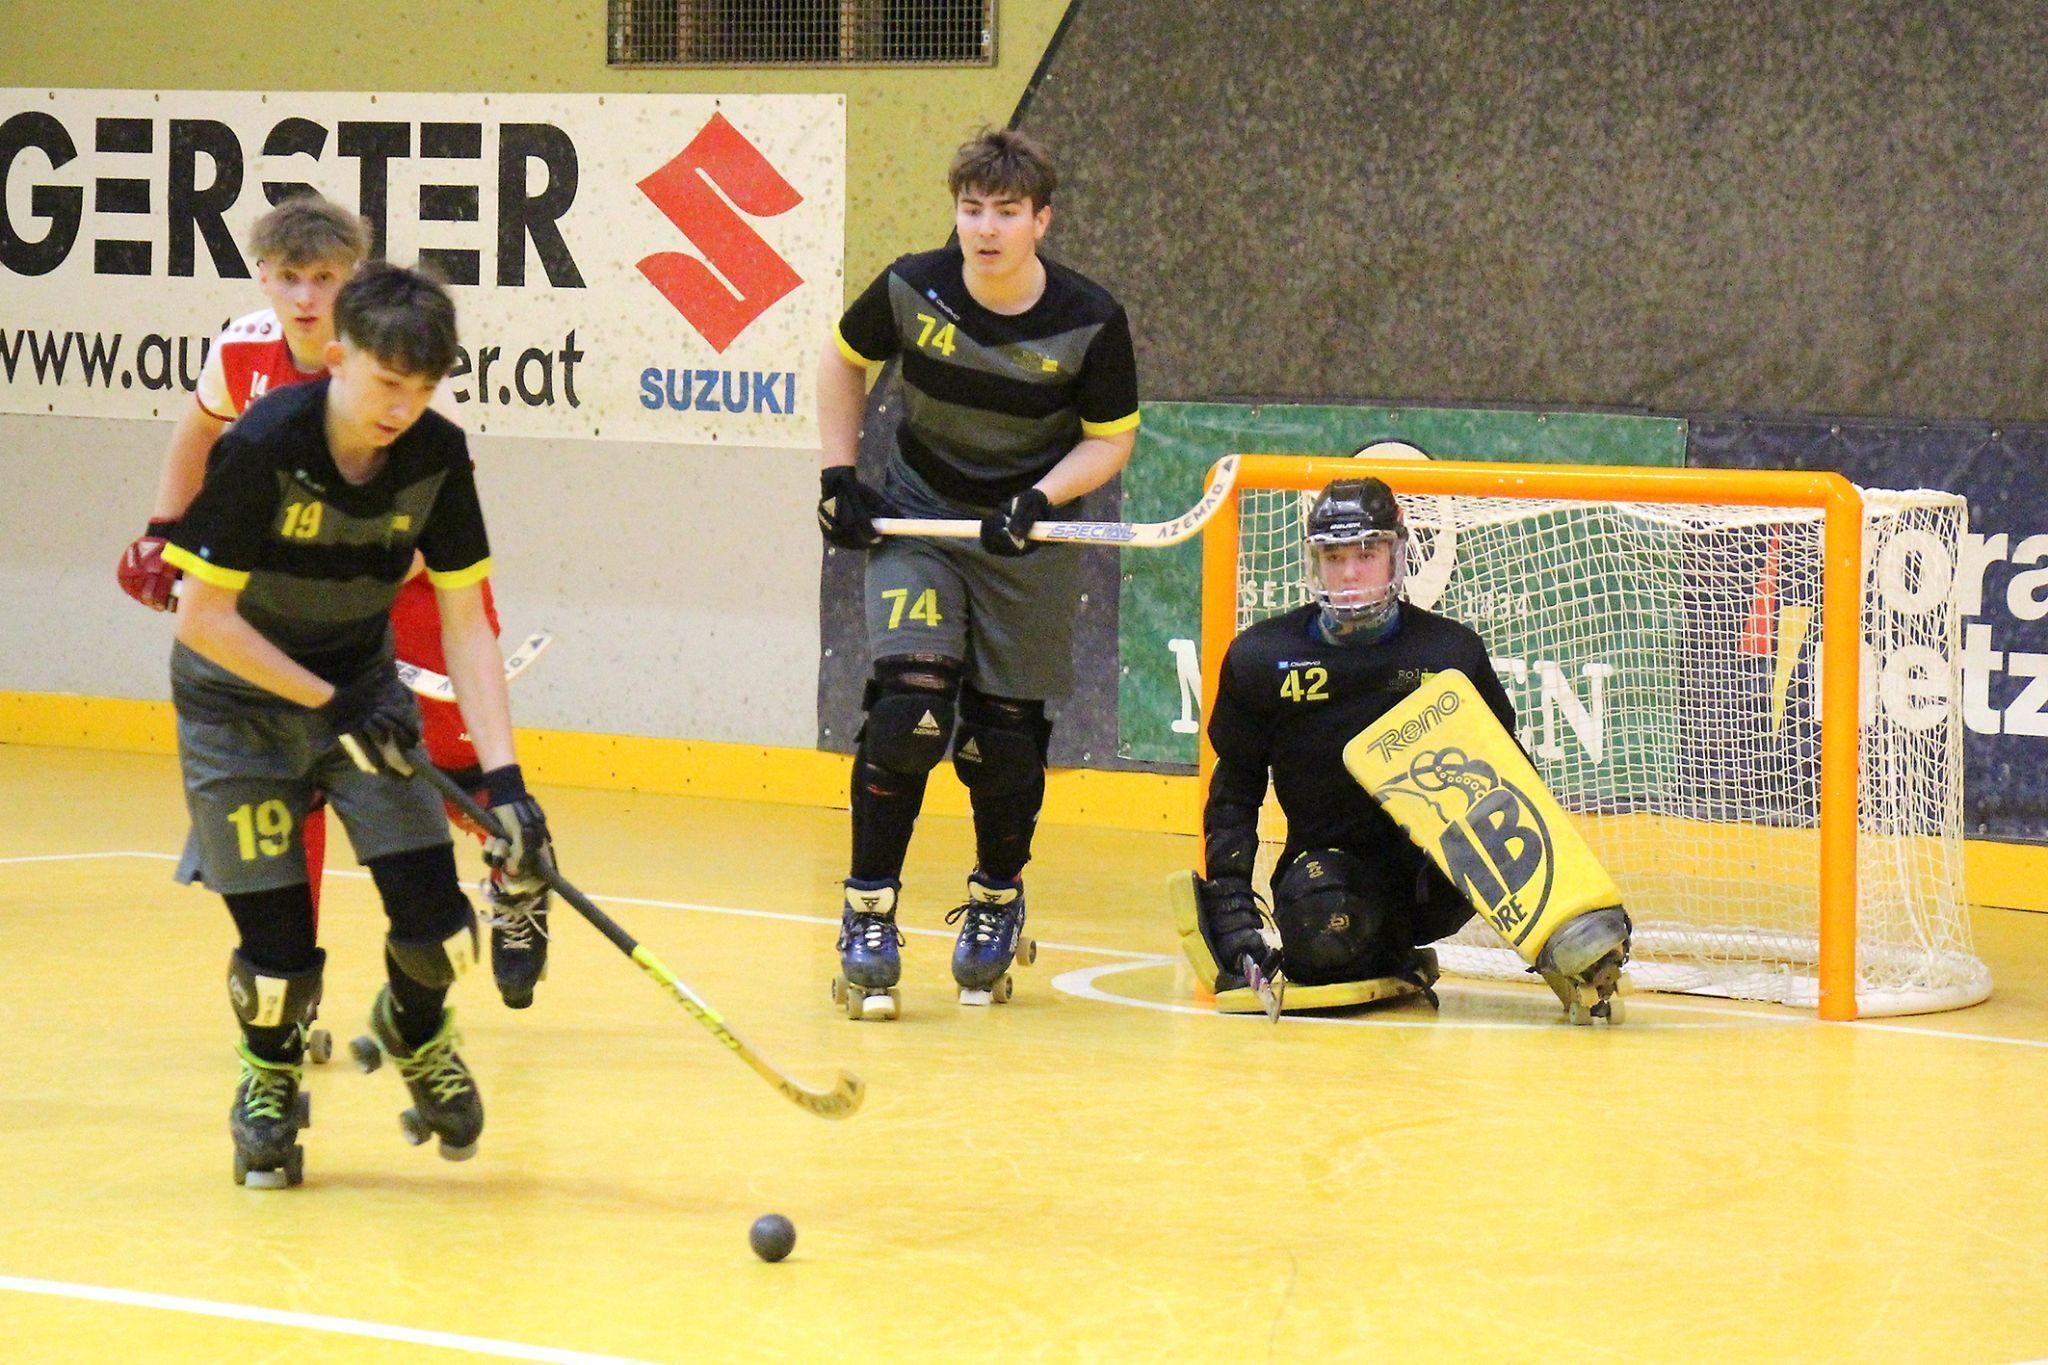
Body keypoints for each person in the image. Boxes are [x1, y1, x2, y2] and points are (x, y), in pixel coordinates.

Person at [161, 262, 551, 1186]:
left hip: (359, 694)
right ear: (336, 357)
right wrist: (333, 705)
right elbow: (201, 619)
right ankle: (267, 1076)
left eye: (422, 389)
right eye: (385, 382)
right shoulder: (264, 444)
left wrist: (507, 783)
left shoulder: (437, 457)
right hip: (237, 706)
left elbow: (465, 621)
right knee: (279, 958)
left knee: (442, 928)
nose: (401, 408)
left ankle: (415, 1034)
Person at [116, 194, 549, 1008]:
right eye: (289, 279)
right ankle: (293, 974)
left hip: (409, 585)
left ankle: (516, 874)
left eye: (324, 278)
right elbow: (196, 429)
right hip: (305, 605)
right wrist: (161, 526)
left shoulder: (404, 383)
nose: (306, 300)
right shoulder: (243, 353)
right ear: (263, 279)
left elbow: (434, 532)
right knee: (298, 775)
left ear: (355, 282)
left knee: (453, 768)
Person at [816, 127, 1141, 1018]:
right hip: (922, 517)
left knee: (1001, 743)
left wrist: (1038, 499)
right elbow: (844, 361)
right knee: (910, 711)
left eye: (1005, 212)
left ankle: (998, 897)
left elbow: (1110, 440)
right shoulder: (912, 287)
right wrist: (839, 472)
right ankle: (867, 913)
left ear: (1042, 219)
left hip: (1022, 538)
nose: (984, 229)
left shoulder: (1089, 318)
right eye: (970, 209)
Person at [1185, 478, 1518, 1003]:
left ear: (1397, 556)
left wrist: (1566, 920)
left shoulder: (1451, 654)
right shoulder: (1260, 658)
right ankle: (1372, 949)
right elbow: (1235, 791)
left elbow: (1513, 790)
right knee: (1323, 933)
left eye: (1367, 553)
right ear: (1314, 563)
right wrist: (1229, 905)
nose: (1349, 573)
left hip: (1436, 878)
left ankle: (1391, 945)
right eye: (1334, 556)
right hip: (1322, 872)